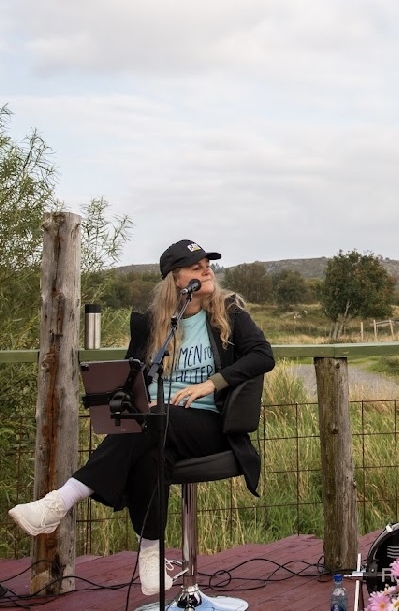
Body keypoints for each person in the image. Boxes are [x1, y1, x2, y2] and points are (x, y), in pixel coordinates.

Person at [8, 239, 275, 596]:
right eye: (196, 267)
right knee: (152, 450)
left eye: (207, 265)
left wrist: (211, 384)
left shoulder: (228, 312)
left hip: (208, 423)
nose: (206, 270)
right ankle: (151, 553)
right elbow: (129, 375)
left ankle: (61, 501)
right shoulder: (152, 325)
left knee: (154, 421)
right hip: (152, 424)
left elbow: (262, 355)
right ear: (176, 280)